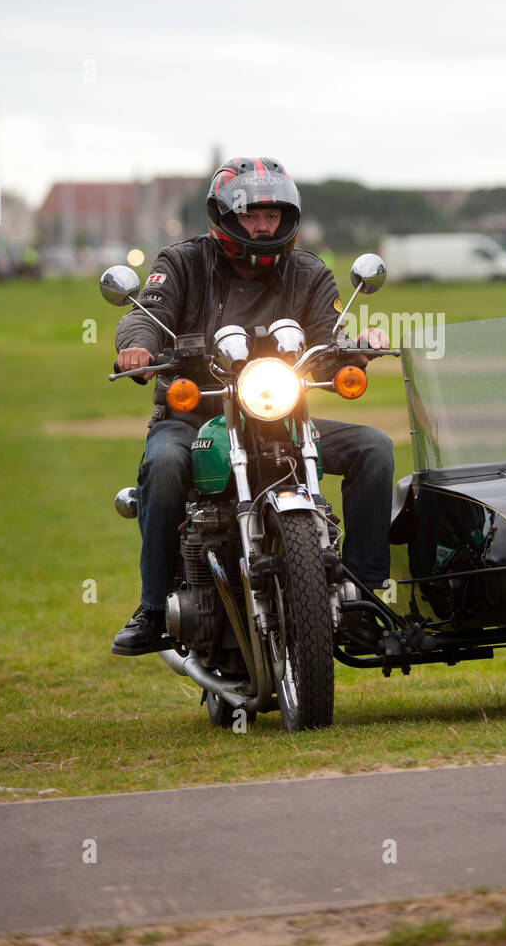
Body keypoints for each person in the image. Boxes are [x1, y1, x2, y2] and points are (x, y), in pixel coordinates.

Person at [111, 156, 393, 655]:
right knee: (166, 462)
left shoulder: (308, 271)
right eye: (250, 215)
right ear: (224, 215)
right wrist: (137, 345)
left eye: (273, 215)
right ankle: (154, 606)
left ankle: (362, 598)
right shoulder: (181, 262)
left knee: (374, 448)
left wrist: (358, 346)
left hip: (283, 415)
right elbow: (146, 318)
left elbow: (329, 339)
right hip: (196, 413)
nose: (263, 225)